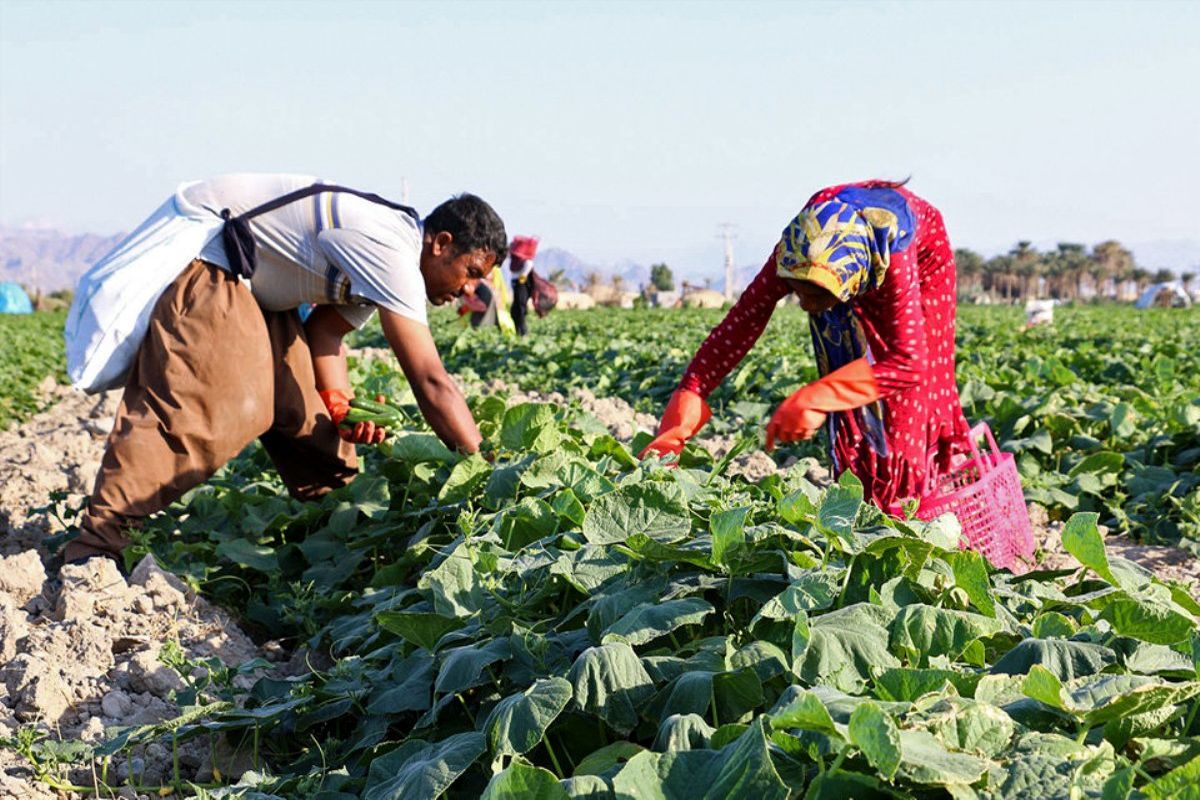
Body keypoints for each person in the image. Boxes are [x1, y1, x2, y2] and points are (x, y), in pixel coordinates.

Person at [63, 173, 507, 565]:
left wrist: (337, 405)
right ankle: (98, 543)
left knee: (313, 423)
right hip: (214, 267)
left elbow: (326, 333)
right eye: (470, 272)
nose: (468, 290)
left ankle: (336, 544)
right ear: (441, 242)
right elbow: (430, 379)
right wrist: (485, 468)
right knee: (217, 405)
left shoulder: (389, 258)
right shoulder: (392, 250)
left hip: (265, 296)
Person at [640, 179, 970, 511]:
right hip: (837, 264)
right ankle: (857, 499)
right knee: (844, 372)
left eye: (813, 296)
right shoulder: (798, 248)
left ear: (848, 282)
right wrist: (686, 403)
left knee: (906, 400)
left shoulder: (893, 256)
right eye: (799, 292)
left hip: (918, 260)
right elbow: (740, 323)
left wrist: (817, 398)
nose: (804, 305)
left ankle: (907, 504)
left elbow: (908, 362)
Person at [508, 235, 539, 336]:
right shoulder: (516, 261)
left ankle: (523, 332)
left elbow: (528, 267)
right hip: (517, 284)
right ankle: (519, 331)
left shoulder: (526, 261)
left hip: (521, 285)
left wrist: (522, 278)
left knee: (520, 309)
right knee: (515, 310)